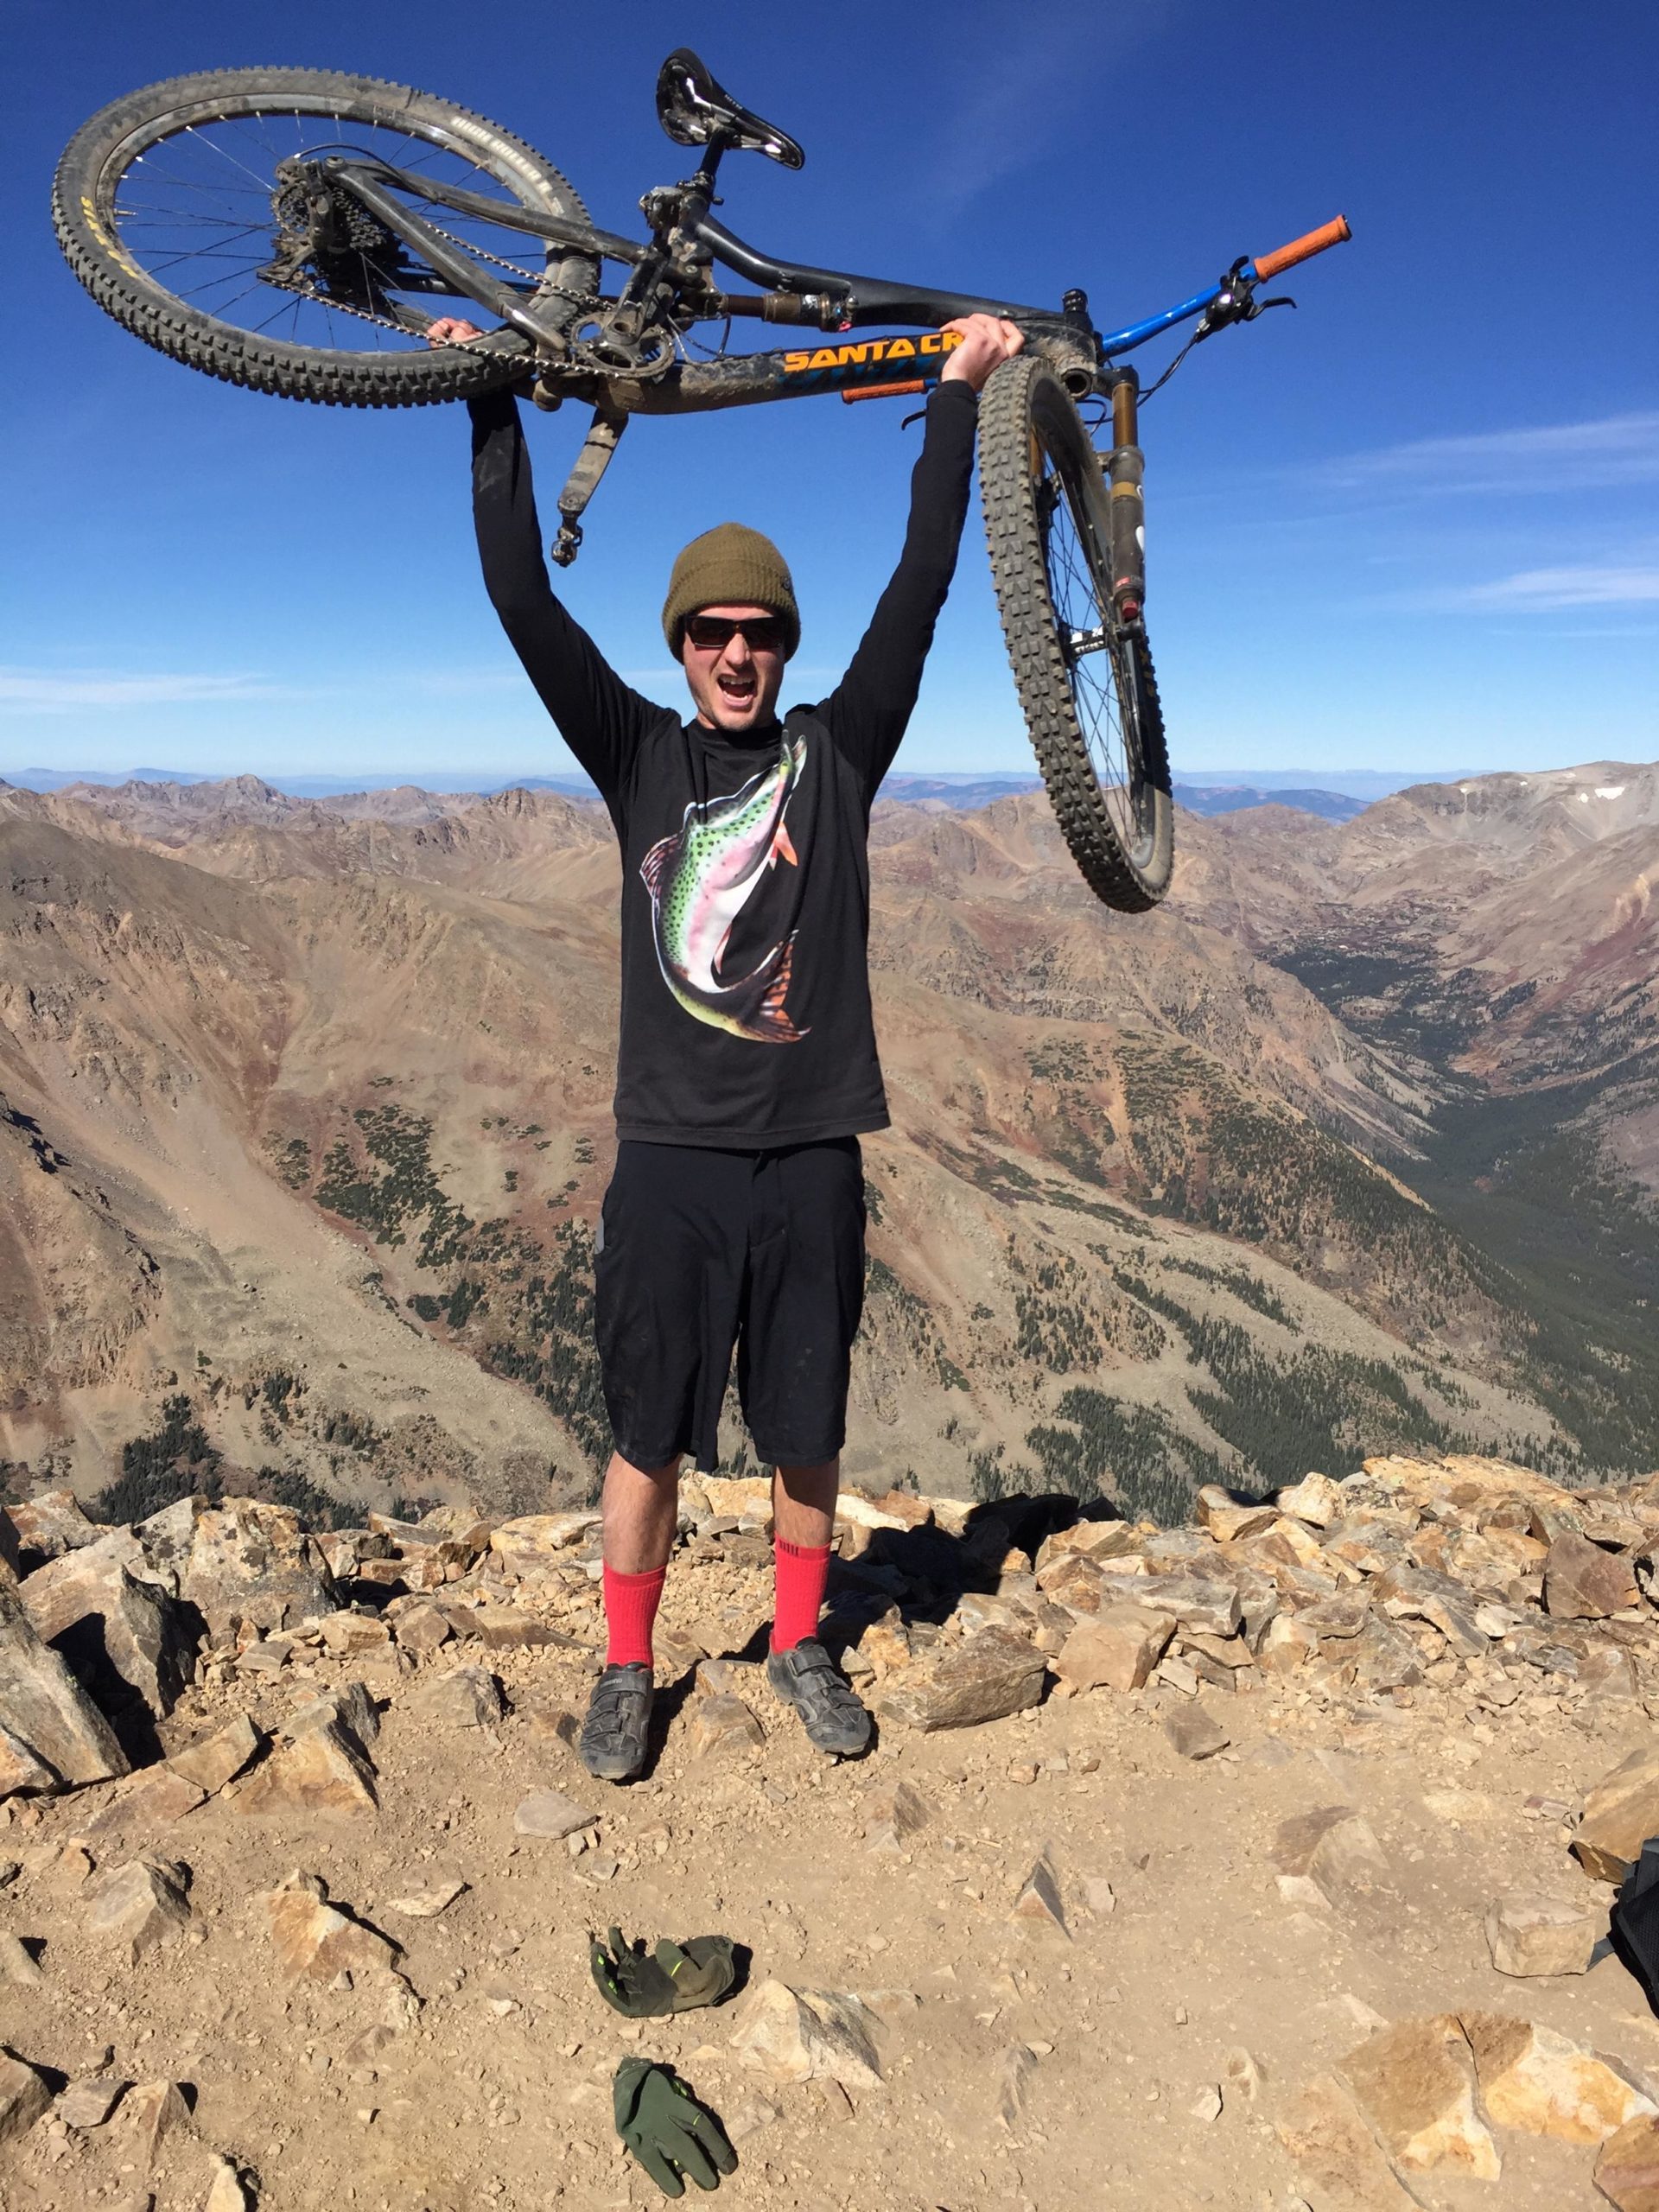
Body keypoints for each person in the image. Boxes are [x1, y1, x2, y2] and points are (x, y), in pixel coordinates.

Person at [434, 309, 1024, 1781]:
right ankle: (626, 1667)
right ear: (682, 644)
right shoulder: (636, 754)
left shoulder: (840, 751)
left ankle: (802, 1643)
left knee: (806, 1432)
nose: (739, 653)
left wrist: (955, 393)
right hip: (674, 1162)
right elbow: (522, 604)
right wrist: (489, 407)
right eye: (714, 631)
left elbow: (925, 585)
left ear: (784, 647)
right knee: (648, 1433)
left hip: (813, 1148)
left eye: (760, 632)